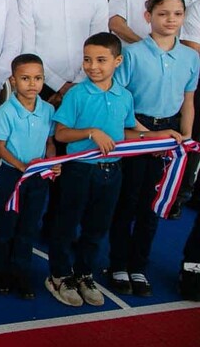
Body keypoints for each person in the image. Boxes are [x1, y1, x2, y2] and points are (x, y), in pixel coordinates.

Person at [46, 32, 180, 307]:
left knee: (97, 227)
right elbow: (61, 134)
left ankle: (84, 273)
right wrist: (91, 132)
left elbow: (126, 133)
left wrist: (160, 135)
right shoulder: (77, 94)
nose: (93, 66)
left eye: (101, 60)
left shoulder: (124, 96)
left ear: (118, 61)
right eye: (87, 59)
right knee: (67, 224)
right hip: (80, 171)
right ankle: (59, 274)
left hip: (112, 173)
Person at [108, 0, 197, 297]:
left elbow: (188, 101)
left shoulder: (190, 57)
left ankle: (139, 266)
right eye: (162, 13)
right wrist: (144, 133)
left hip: (170, 136)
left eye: (176, 14)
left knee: (155, 204)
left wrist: (184, 138)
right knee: (128, 201)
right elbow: (119, 99)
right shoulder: (132, 54)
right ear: (148, 17)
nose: (170, 20)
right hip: (138, 131)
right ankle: (118, 263)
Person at [0, 54, 58, 299]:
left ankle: (22, 275)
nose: (32, 84)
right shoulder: (6, 111)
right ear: (13, 80)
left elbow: (50, 142)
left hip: (37, 178)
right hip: (12, 176)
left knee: (28, 228)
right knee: (7, 226)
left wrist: (50, 161)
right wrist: (20, 166)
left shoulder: (48, 109)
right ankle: (1, 273)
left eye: (38, 78)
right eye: (25, 78)